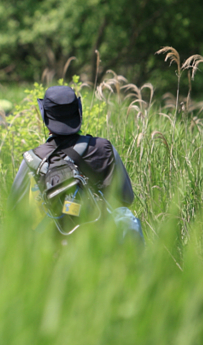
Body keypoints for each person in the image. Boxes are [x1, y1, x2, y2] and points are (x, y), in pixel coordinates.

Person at [9, 85, 141, 242]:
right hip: (101, 242)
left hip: (54, 247)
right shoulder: (104, 148)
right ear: (79, 111)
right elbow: (126, 199)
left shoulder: (33, 159)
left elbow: (14, 210)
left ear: (45, 116)